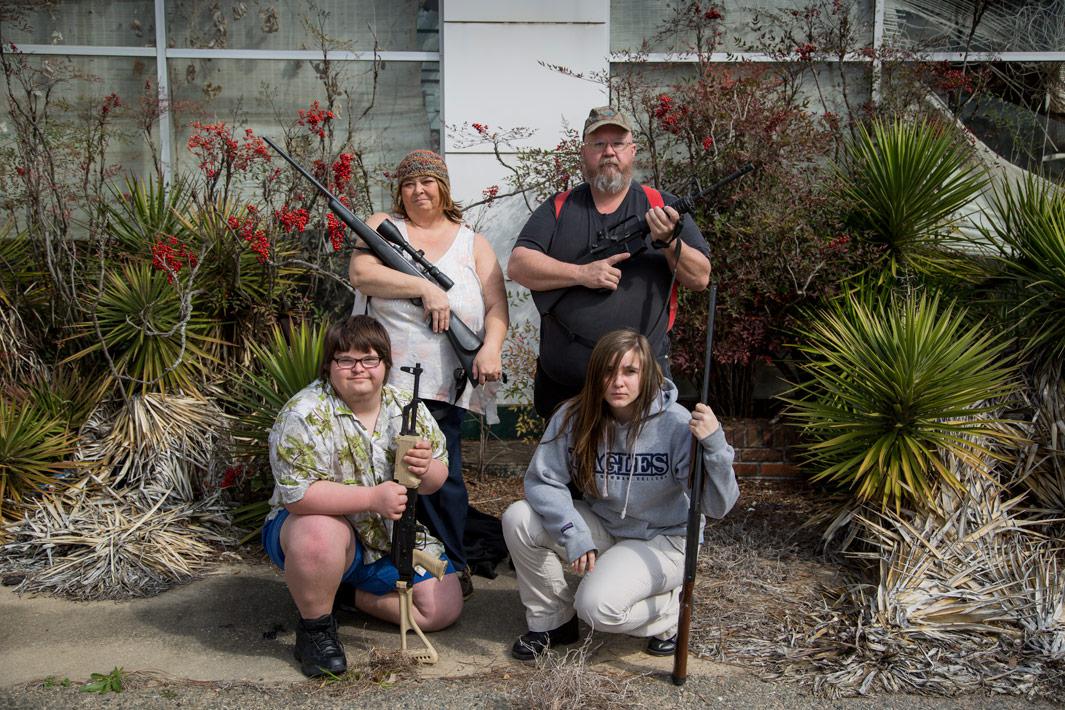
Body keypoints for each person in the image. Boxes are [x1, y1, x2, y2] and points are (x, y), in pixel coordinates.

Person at [501, 329, 738, 660]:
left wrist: (714, 445)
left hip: (664, 540)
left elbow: (716, 506)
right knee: (519, 518)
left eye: (629, 371)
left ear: (647, 376)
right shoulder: (575, 416)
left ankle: (670, 612)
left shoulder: (676, 424)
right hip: (607, 525)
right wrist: (573, 531)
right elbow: (543, 480)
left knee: (596, 608)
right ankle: (552, 620)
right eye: (608, 372)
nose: (617, 382)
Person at [263, 315, 463, 677]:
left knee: (442, 608)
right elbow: (299, 497)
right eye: (346, 360)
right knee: (320, 533)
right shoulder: (302, 413)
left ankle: (341, 596)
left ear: (385, 364)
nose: (359, 369)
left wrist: (425, 467)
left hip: (386, 535)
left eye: (370, 359)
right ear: (330, 366)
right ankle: (315, 629)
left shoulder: (408, 408)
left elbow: (437, 480)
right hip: (317, 530)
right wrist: (372, 499)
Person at [349, 149, 509, 600]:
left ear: (444, 188)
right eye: (409, 183)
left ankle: (451, 568)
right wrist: (425, 288)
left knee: (442, 477)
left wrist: (491, 346)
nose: (419, 190)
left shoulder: (472, 242)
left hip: (444, 381)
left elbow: (498, 307)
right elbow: (361, 272)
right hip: (382, 384)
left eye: (428, 181)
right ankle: (384, 564)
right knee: (382, 472)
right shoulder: (385, 227)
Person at [508, 106, 712, 419]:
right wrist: (581, 273)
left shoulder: (662, 205)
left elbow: (700, 278)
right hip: (567, 389)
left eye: (617, 143)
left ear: (632, 151)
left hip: (642, 385)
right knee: (564, 469)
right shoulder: (560, 207)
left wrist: (671, 242)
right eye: (598, 144)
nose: (609, 152)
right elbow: (519, 265)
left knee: (640, 469)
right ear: (584, 153)